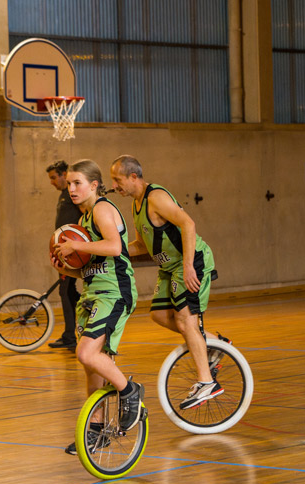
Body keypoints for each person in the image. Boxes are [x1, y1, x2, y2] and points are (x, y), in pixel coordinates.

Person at [109, 155, 222, 410]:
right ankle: (215, 343)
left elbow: (188, 224)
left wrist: (189, 265)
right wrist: (111, 248)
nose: (115, 186)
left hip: (190, 262)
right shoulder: (137, 205)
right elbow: (141, 245)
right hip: (169, 268)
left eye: (117, 180)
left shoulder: (155, 198)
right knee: (160, 315)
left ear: (133, 177)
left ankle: (207, 382)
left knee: (185, 320)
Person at [50, 159, 143, 455]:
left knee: (86, 353)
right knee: (91, 366)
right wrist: (68, 267)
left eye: (77, 183)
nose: (72, 189)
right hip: (93, 292)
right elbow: (93, 266)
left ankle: (129, 392)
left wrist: (76, 247)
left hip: (113, 293)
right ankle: (97, 430)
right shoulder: (84, 219)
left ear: (93, 185)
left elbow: (115, 248)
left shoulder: (102, 209)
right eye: (69, 184)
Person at [46, 160, 83, 350]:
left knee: (65, 291)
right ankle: (76, 327)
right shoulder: (63, 196)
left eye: (54, 177)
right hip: (63, 252)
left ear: (63, 174)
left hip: (72, 253)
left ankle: (70, 336)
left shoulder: (72, 195)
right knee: (69, 292)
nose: (52, 182)